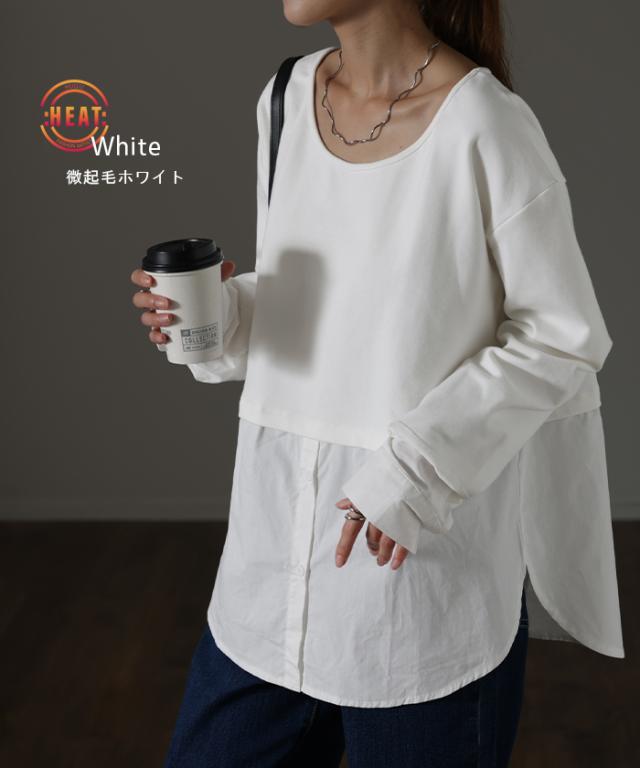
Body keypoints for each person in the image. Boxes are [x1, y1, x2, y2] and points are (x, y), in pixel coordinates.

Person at [130, 1, 625, 766]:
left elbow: (564, 337)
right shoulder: (285, 97)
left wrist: (414, 472)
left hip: (416, 597)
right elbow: (319, 305)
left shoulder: (485, 122)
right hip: (270, 579)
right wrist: (219, 317)